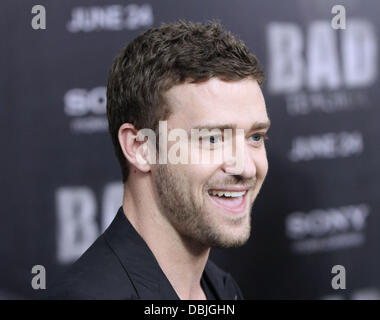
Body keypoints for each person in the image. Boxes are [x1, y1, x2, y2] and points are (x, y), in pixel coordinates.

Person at [48, 20, 270, 300]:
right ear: (141, 147)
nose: (246, 167)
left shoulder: (223, 290)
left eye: (256, 137)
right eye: (212, 139)